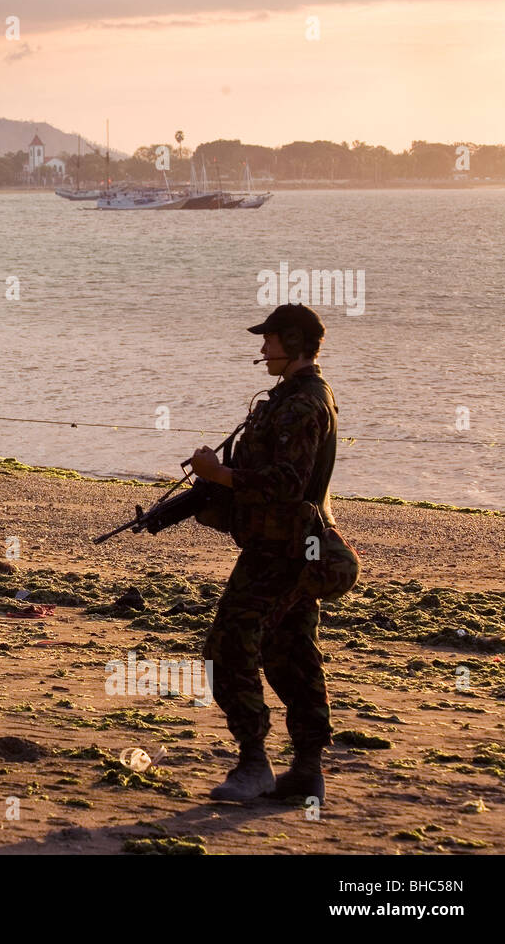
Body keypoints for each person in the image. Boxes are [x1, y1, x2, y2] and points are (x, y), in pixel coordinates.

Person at [189, 303, 355, 803]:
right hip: (286, 543)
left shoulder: (304, 403)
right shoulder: (291, 397)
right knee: (290, 652)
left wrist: (221, 476)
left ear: (293, 342)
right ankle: (307, 769)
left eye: (270, 341)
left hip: (284, 548)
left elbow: (288, 482)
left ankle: (253, 763)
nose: (263, 349)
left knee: (227, 647)